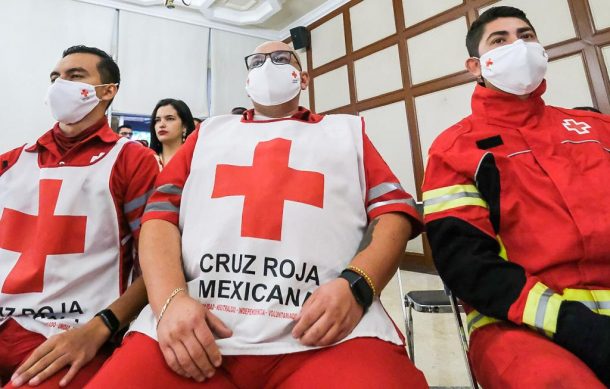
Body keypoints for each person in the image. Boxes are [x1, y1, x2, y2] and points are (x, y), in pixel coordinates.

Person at [88, 41, 428, 388]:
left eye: (282, 58)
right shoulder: (207, 134)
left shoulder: (346, 133)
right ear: (247, 81)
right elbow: (159, 218)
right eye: (258, 61)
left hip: (327, 334)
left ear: (304, 78)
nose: (269, 66)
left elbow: (393, 213)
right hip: (197, 326)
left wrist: (358, 286)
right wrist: (169, 301)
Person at [422, 6, 610, 388]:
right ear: (476, 66)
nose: (518, 46)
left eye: (526, 36)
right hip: (518, 323)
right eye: (500, 40)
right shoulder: (455, 149)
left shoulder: (597, 128)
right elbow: (467, 266)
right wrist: (573, 323)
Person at [0, 45, 159, 388]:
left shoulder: (131, 160)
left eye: (75, 76)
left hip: (70, 333)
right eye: (55, 77)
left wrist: (101, 327)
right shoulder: (12, 161)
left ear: (108, 90)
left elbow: (157, 266)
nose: (59, 85)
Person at [149, 98, 195, 169]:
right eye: (157, 120)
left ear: (184, 126)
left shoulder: (195, 159)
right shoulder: (147, 160)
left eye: (170, 119)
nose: (161, 125)